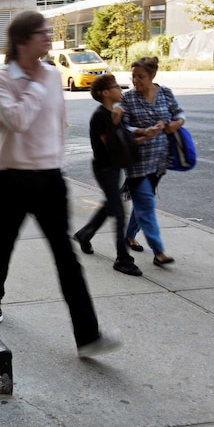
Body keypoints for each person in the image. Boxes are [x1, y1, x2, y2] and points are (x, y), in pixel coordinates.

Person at [0, 10, 121, 357]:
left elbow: (57, 124)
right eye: (42, 33)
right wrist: (36, 82)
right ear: (22, 41)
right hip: (13, 178)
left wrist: (56, 166)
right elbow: (17, 120)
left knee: (65, 256)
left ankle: (88, 336)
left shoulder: (52, 74)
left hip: (49, 178)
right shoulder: (2, 80)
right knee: (4, 244)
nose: (48, 38)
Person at [73, 74, 143, 276]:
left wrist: (143, 135)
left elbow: (122, 141)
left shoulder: (113, 112)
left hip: (115, 167)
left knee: (110, 205)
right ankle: (123, 259)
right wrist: (114, 122)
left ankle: (85, 234)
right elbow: (110, 145)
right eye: (115, 87)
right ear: (105, 93)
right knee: (119, 212)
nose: (120, 90)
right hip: (105, 168)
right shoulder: (101, 116)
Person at [120, 56, 185, 267]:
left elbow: (179, 113)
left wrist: (177, 123)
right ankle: (159, 251)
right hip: (136, 161)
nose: (136, 81)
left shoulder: (164, 93)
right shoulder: (127, 99)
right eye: (133, 77)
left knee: (142, 202)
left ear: (152, 75)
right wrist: (142, 131)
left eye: (141, 77)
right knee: (147, 204)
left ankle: (129, 235)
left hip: (160, 160)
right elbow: (123, 128)